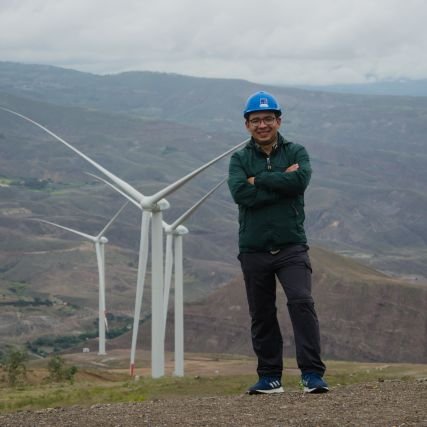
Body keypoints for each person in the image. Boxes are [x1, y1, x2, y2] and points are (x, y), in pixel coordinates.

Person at [227, 91, 328, 395]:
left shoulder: (297, 152)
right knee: (262, 313)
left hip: (291, 245)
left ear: (278, 121)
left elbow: (300, 182)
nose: (262, 124)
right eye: (255, 120)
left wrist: (258, 180)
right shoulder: (239, 158)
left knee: (301, 303)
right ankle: (269, 376)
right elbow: (240, 194)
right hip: (254, 248)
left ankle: (311, 374)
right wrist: (281, 181)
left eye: (268, 119)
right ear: (247, 125)